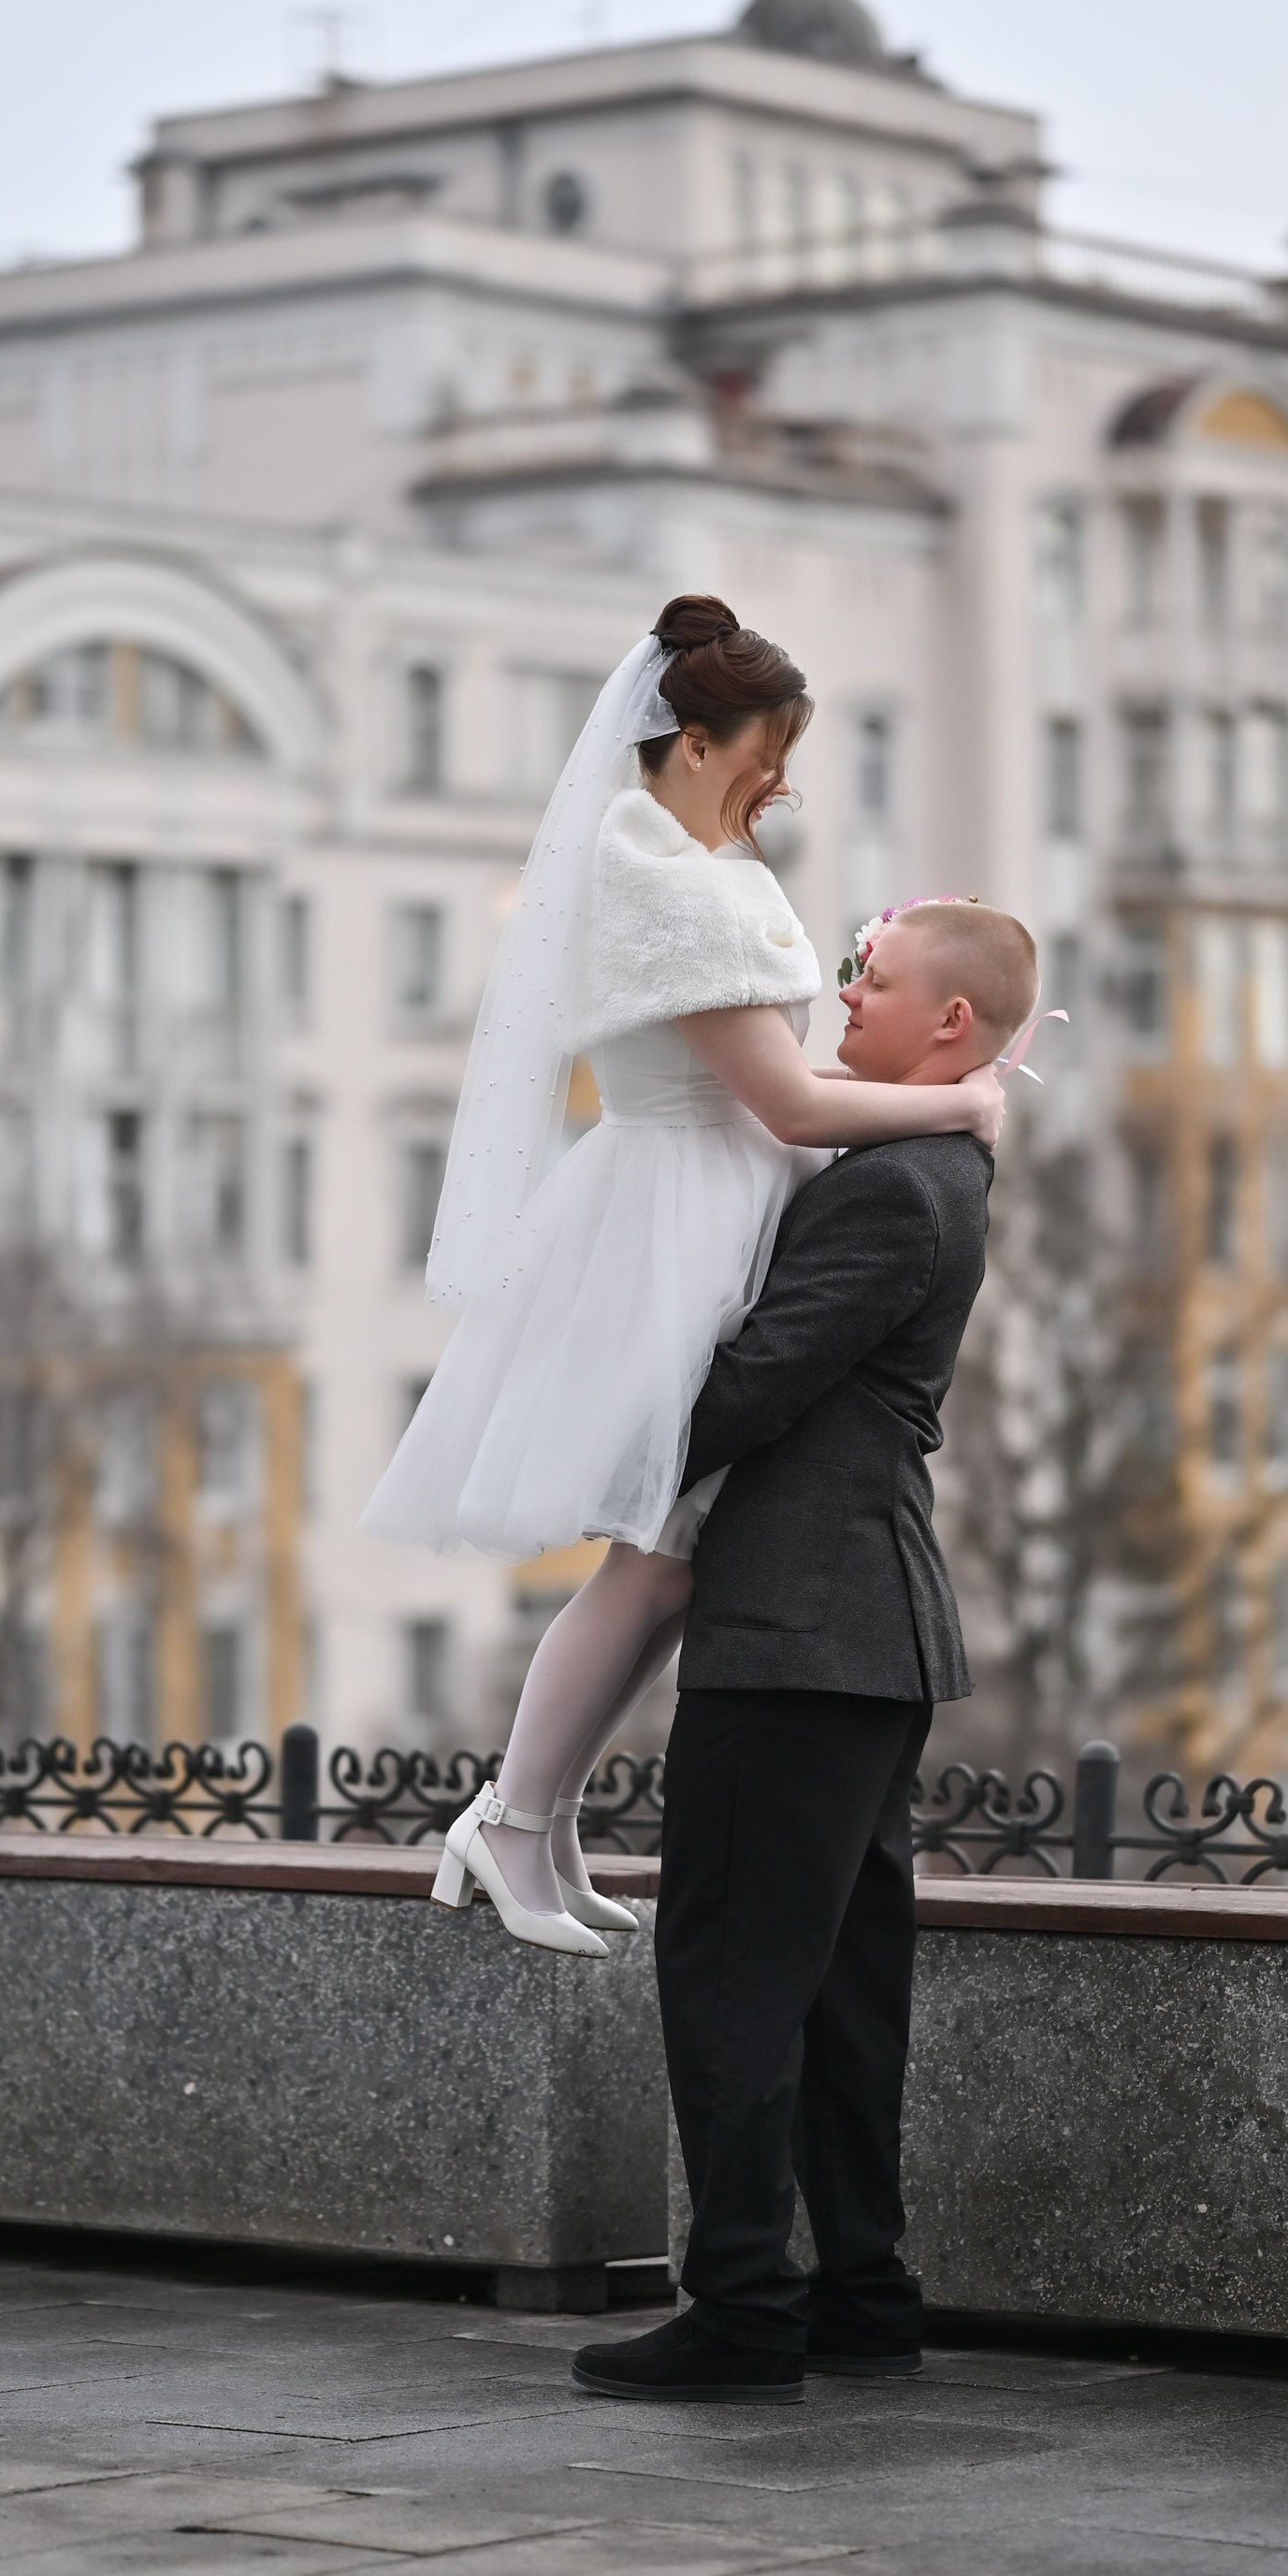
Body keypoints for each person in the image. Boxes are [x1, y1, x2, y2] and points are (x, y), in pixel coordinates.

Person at [360, 597, 1005, 1956]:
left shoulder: (692, 864)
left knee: (670, 1560)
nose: (782, 780)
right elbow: (790, 1101)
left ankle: (540, 1820)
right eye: (770, 750)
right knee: (655, 1560)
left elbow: (777, 1092)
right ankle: (511, 1820)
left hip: (708, 1209)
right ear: (699, 742)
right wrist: (960, 1103)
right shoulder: (657, 878)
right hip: (673, 1225)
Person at [570, 895, 1038, 2404]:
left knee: (732, 1976)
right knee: (838, 1987)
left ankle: (744, 2309)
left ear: (950, 1021)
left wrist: (581, 1426)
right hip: (858, 1635)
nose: (843, 999)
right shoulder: (921, 1161)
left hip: (801, 1635)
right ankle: (862, 2293)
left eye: (871, 980)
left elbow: (752, 1386)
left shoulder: (895, 1187)